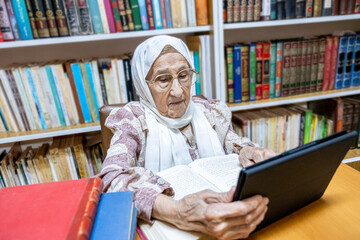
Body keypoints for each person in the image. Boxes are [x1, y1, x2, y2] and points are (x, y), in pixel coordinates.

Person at [99, 35, 276, 240]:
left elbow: (230, 140)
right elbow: (112, 179)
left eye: (184, 75)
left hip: (225, 221)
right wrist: (178, 212)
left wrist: (248, 150)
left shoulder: (207, 110)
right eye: (163, 79)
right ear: (143, 84)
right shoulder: (133, 119)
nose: (177, 91)